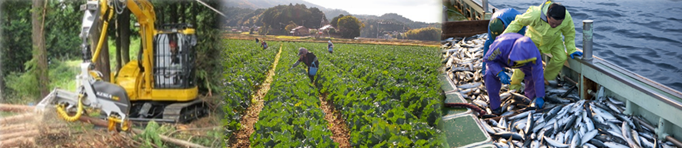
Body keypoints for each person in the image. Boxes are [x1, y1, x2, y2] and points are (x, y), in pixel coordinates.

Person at [502, 1, 583, 91]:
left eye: (558, 24)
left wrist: (571, 49)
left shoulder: (566, 17)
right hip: (533, 40)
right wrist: (503, 39)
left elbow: (569, 33)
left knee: (561, 57)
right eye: (552, 23)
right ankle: (514, 87)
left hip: (554, 41)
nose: (554, 25)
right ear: (547, 16)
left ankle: (545, 81)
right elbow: (518, 23)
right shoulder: (535, 14)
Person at [483, 33, 545, 114]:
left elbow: (538, 76)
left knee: (532, 75)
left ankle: (530, 99)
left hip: (527, 61)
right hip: (499, 59)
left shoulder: (534, 55)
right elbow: (488, 60)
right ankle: (495, 106)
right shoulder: (501, 45)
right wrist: (500, 72)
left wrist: (540, 95)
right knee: (489, 75)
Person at [482, 8, 528, 73]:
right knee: (488, 44)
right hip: (500, 17)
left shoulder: (516, 19)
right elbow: (494, 46)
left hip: (518, 22)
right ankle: (485, 69)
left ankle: (520, 68)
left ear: (504, 27)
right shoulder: (492, 25)